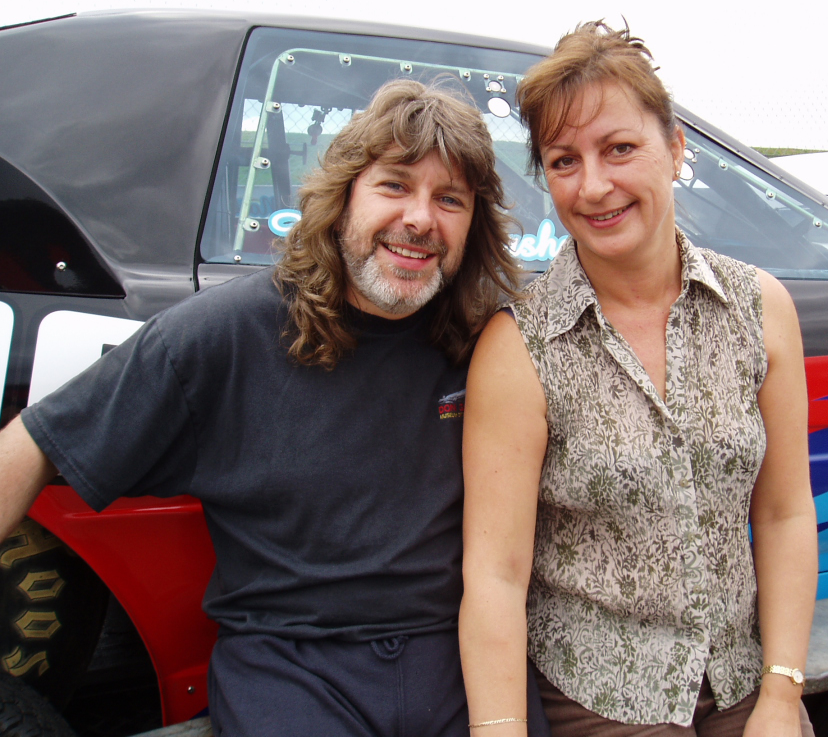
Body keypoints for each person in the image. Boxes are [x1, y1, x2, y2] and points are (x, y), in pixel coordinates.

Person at [0, 80, 550, 737]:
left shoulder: (491, 344)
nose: (420, 219)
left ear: (474, 225)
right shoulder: (225, 332)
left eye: (450, 199)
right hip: (294, 666)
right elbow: (36, 445)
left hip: (457, 656)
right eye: (394, 185)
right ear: (343, 196)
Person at [459, 22, 818, 736]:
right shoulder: (520, 346)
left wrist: (782, 693)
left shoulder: (760, 310)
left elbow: (784, 513)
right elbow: (495, 574)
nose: (594, 186)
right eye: (564, 161)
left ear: (675, 148)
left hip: (744, 679)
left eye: (619, 148)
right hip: (602, 698)